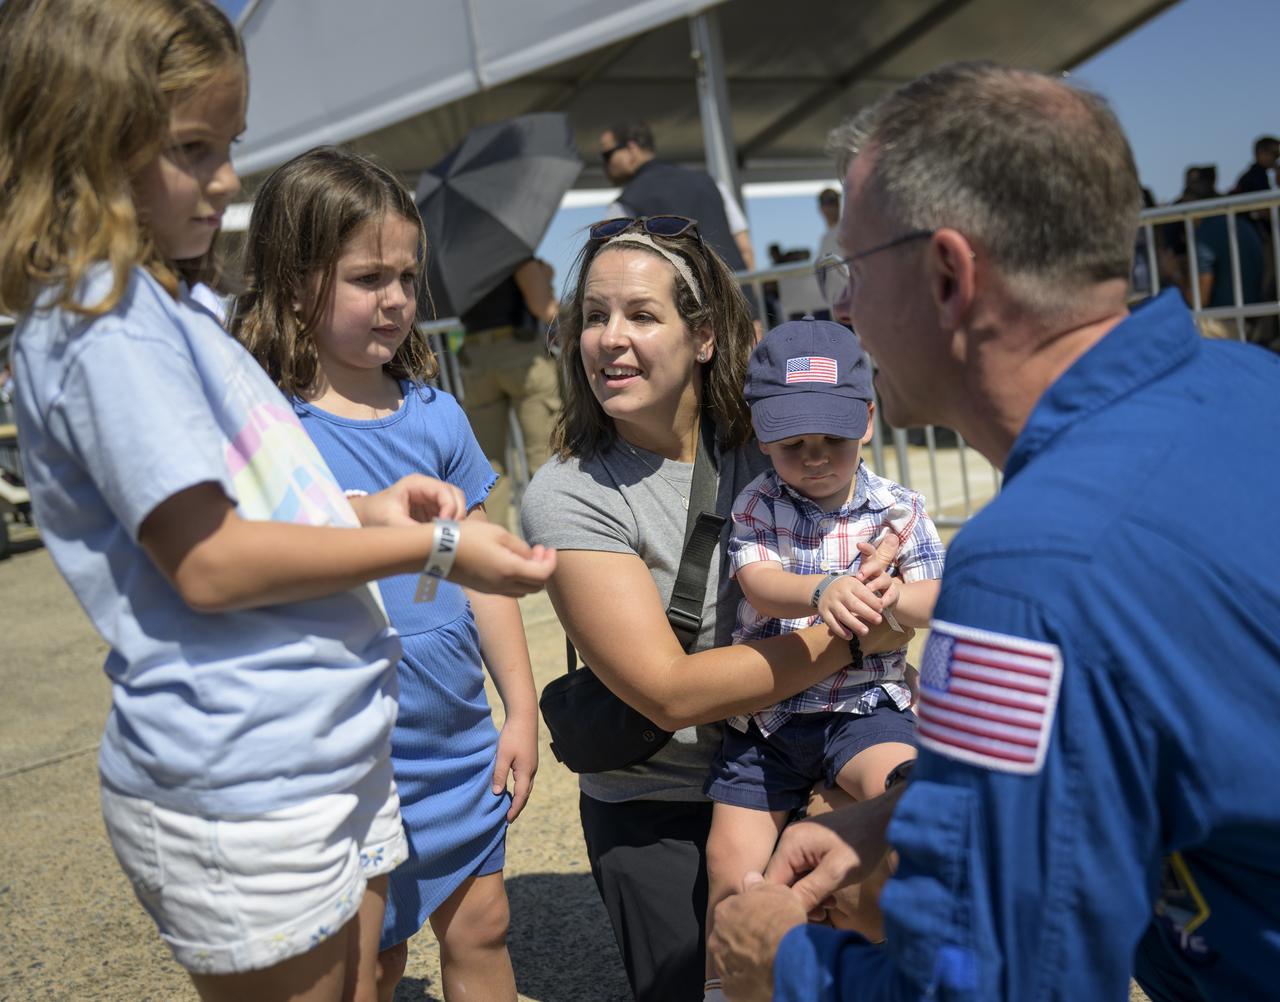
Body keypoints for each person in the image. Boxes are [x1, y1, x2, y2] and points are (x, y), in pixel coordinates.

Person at [0, 3, 555, 1000]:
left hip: (317, 754)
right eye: (191, 147)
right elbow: (209, 561)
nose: (224, 179)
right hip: (248, 781)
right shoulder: (106, 329)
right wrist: (426, 550)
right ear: (82, 144)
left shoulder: (161, 308)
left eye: (229, 146)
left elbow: (261, 516)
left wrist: (377, 515)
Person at [710, 60, 1280, 1001]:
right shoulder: (1255, 391)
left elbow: (999, 984)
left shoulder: (1028, 574)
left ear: (946, 276)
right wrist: (913, 817)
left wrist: (786, 967)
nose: (841, 307)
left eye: (850, 268)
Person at [520, 214, 907, 1002]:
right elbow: (670, 691)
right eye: (593, 316)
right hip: (661, 791)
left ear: (702, 337)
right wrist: (857, 631)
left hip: (805, 747)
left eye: (641, 314)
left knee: (896, 898)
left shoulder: (778, 439)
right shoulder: (568, 494)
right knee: (714, 985)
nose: (610, 338)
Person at [234, 147, 539, 1002]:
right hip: (350, 757)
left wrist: (519, 708)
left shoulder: (436, 414)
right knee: (370, 962)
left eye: (407, 275)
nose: (398, 299)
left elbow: (483, 576)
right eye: (369, 277)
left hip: (457, 742)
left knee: (484, 926)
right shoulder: (268, 427)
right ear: (294, 281)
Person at [700, 318, 943, 1001]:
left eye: (831, 440)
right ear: (760, 435)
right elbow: (757, 582)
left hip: (866, 704)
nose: (814, 458)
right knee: (729, 859)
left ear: (867, 421)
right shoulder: (755, 504)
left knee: (902, 802)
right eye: (792, 443)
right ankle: (726, 981)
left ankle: (901, 964)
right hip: (770, 723)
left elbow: (939, 593)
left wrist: (895, 596)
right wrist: (821, 589)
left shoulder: (898, 508)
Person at [457, 258, 561, 531]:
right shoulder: (510, 250)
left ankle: (497, 546)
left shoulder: (455, 255)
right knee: (544, 458)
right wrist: (544, 277)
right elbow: (543, 307)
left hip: (474, 357)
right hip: (519, 354)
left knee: (488, 467)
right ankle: (555, 543)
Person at [600, 122, 755, 272]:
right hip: (738, 291)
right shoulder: (710, 182)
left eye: (607, 155)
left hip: (682, 297)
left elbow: (612, 265)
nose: (604, 165)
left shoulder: (626, 203)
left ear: (631, 149)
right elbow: (745, 249)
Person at [816, 189, 842, 262]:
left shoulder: (847, 231)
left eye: (833, 202)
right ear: (821, 208)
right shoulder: (825, 239)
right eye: (824, 202)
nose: (830, 207)